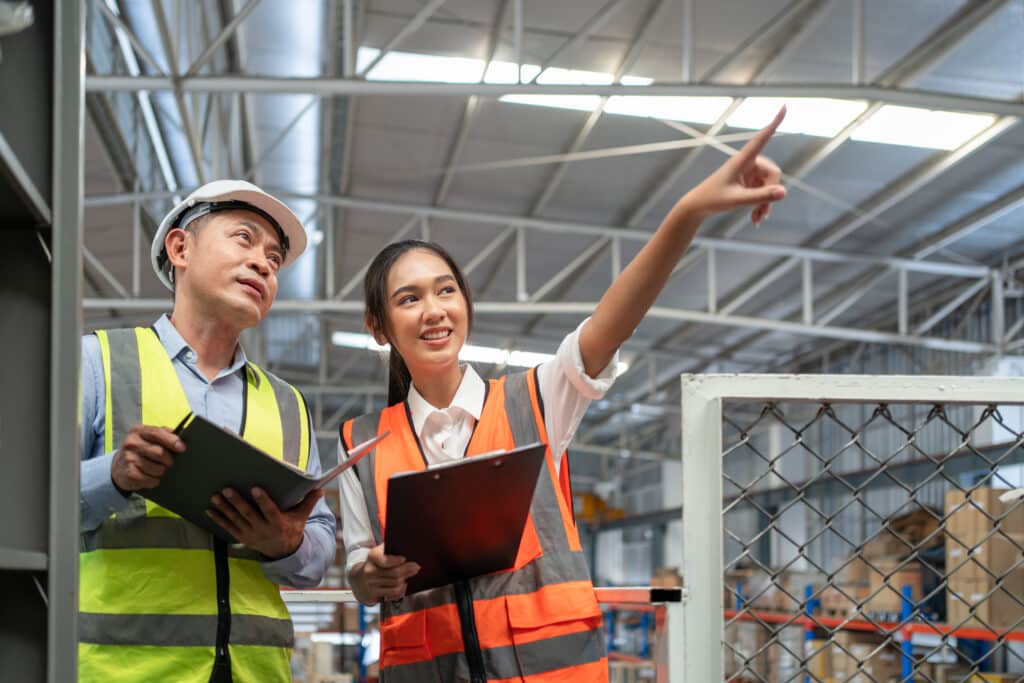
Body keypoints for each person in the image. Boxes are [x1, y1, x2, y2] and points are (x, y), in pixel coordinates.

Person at [336, 109, 789, 682]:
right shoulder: (361, 448)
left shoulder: (537, 401)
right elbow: (358, 565)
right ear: (379, 327)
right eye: (408, 299)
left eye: (446, 290)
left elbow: (611, 321)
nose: (434, 310)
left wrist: (687, 213)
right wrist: (366, 578)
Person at [78, 180, 337, 683]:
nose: (264, 263)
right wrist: (111, 477)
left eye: (274, 258)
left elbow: (321, 541)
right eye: (244, 238)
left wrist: (286, 543)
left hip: (256, 671)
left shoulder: (288, 405)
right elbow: (28, 509)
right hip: (124, 669)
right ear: (181, 248)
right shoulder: (99, 362)